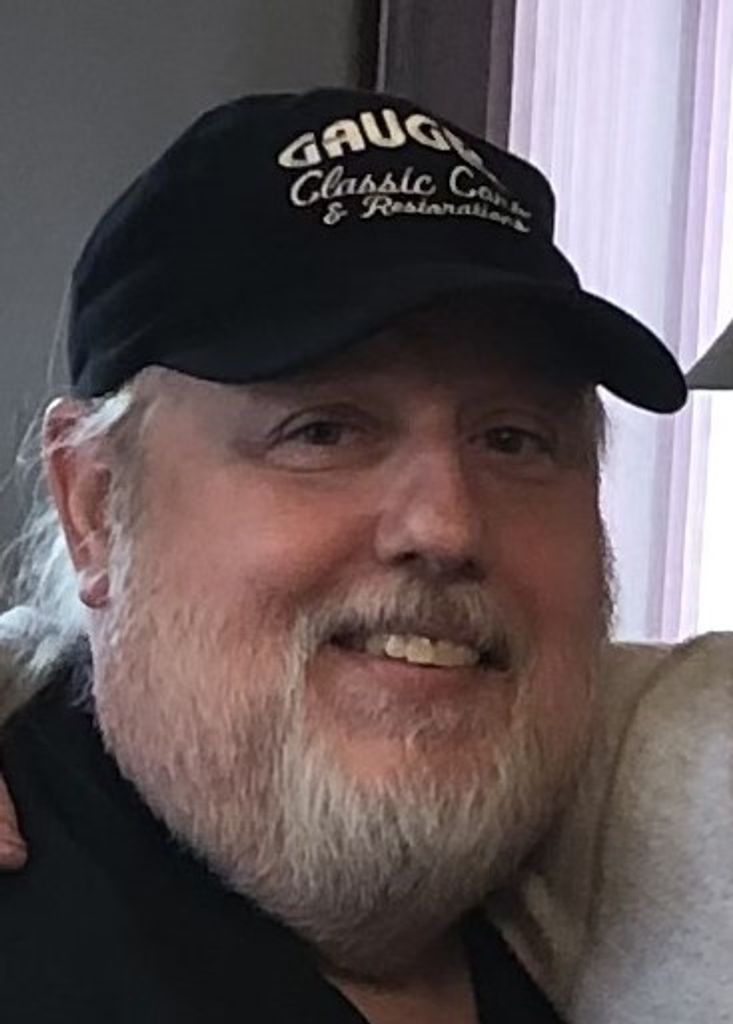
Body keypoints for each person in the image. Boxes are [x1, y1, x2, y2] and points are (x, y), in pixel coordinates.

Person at [0, 88, 686, 1023]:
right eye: (322, 431)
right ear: (95, 505)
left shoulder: (634, 811)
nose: (445, 526)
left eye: (514, 439)